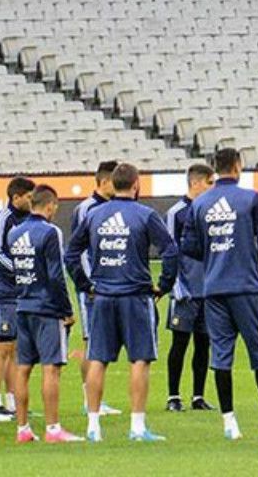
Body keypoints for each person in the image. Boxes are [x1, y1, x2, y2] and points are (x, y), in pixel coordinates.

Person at [180, 146, 258, 440]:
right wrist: (253, 263)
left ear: (214, 168)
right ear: (237, 166)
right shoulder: (251, 198)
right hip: (246, 287)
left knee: (221, 355)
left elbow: (188, 245)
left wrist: (213, 260)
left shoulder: (199, 204)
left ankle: (229, 423)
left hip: (214, 289)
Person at [65, 162, 177, 443]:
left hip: (102, 296)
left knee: (98, 359)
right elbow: (171, 252)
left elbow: (71, 254)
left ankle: (93, 426)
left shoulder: (94, 215)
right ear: (136, 184)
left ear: (112, 184)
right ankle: (137, 427)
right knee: (139, 359)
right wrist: (163, 286)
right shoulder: (145, 215)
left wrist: (85, 285)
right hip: (136, 296)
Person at [11, 184, 82, 443]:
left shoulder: (15, 232)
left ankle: (22, 429)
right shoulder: (50, 232)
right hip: (46, 308)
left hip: (23, 305)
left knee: (23, 369)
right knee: (51, 368)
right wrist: (66, 309)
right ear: (50, 205)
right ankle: (53, 429)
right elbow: (55, 275)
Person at [0, 177, 36, 424]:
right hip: (3, 292)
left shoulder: (27, 220)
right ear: (16, 198)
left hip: (20, 292)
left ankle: (14, 402)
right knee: (2, 347)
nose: (31, 200)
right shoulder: (2, 219)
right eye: (28, 196)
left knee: (16, 348)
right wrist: (22, 272)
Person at [72, 160, 121, 418]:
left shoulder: (114, 207)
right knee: (92, 341)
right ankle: (89, 400)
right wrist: (89, 284)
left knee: (101, 343)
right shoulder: (87, 209)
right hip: (93, 288)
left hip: (111, 286)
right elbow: (78, 250)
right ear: (103, 182)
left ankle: (95, 399)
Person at [164, 163, 215, 412]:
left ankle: (198, 396)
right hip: (185, 290)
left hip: (208, 289)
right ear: (196, 183)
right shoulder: (177, 213)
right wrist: (176, 285)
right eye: (209, 182)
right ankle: (173, 396)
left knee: (204, 343)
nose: (212, 187)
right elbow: (170, 251)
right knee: (180, 343)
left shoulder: (210, 211)